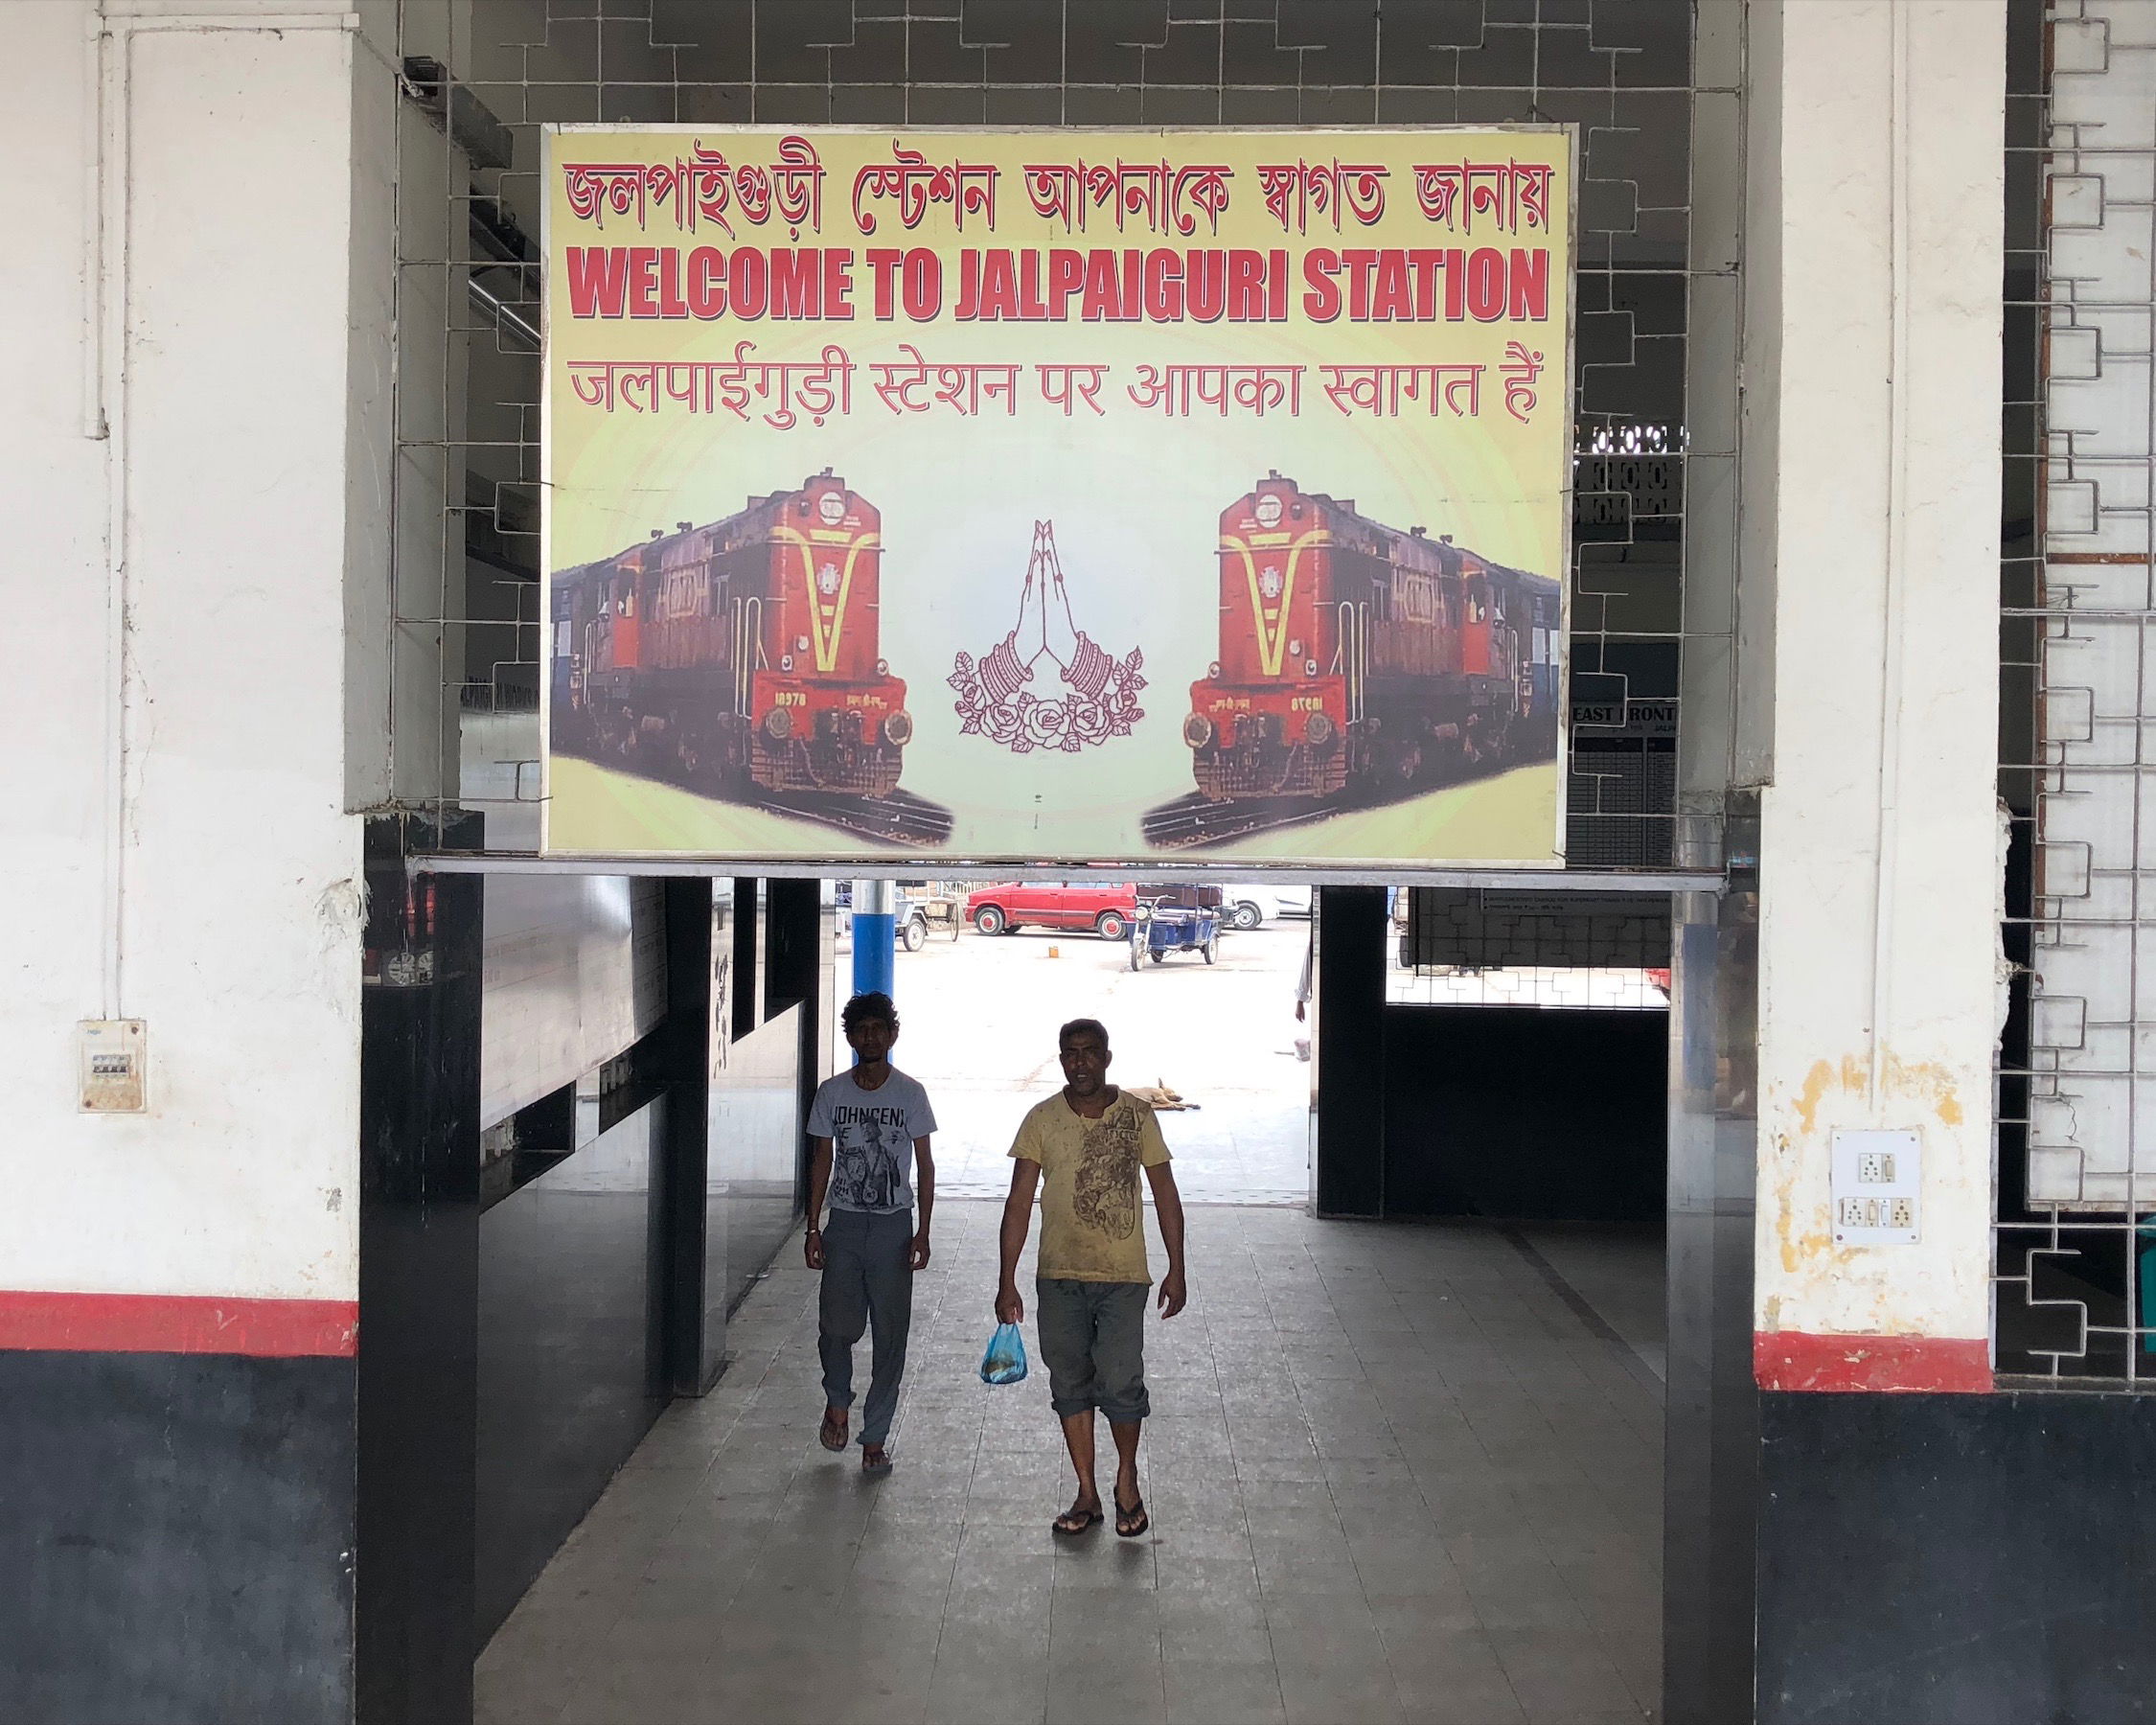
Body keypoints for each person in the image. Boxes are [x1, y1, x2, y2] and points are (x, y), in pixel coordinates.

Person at [995, 1017, 1187, 1538]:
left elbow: (1165, 1193)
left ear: (1107, 1057)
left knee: (1122, 1382)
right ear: (1061, 1060)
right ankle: (1087, 1490)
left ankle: (1126, 1478)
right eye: (1069, 1053)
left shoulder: (1139, 1117)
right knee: (1070, 1384)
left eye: (1089, 1052)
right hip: (1058, 1275)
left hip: (1125, 1278)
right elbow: (1018, 1203)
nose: (1079, 1062)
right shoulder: (1041, 1120)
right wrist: (1006, 1279)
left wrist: (1177, 1267)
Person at [805, 992, 937, 1474]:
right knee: (835, 1328)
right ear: (850, 1037)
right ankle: (837, 1400)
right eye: (861, 1030)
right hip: (842, 1225)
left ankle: (874, 1439)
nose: (870, 1038)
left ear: (893, 1035)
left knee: (890, 1336)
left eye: (878, 1029)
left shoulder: (910, 1094)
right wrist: (813, 1227)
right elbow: (822, 1161)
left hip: (893, 1230)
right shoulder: (832, 1093)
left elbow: (924, 1164)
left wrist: (922, 1231)